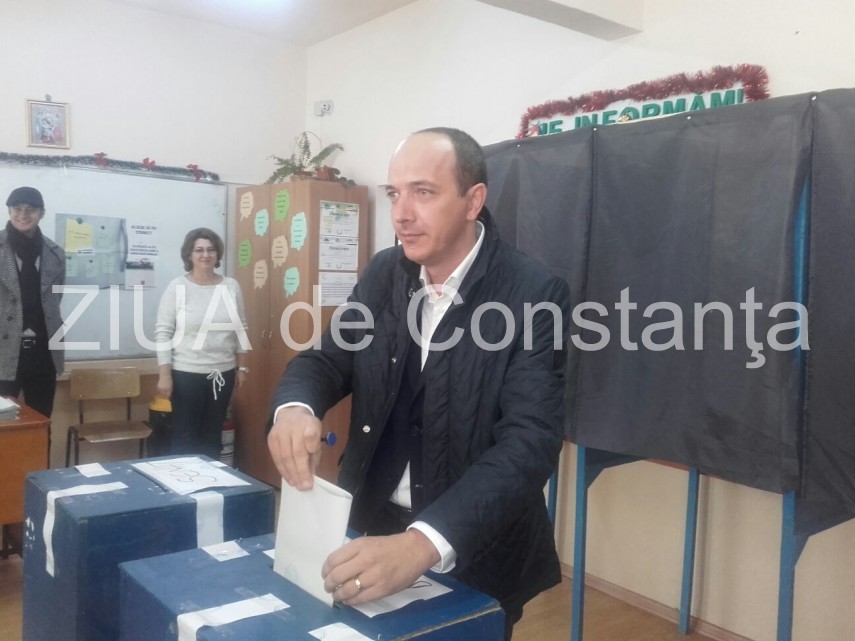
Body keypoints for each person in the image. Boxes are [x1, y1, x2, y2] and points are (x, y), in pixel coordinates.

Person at [267, 127, 571, 639]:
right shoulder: (385, 274)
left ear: (473, 200)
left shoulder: (534, 294)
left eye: (423, 192)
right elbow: (326, 360)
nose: (402, 214)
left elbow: (529, 443)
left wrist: (424, 542)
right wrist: (295, 407)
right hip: (369, 526)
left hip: (475, 548)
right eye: (394, 193)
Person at [155, 228, 249, 459]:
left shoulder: (231, 286)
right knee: (185, 437)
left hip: (222, 374)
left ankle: (211, 481)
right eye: (199, 250)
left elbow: (241, 328)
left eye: (211, 250)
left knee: (212, 436)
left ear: (217, 254)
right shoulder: (177, 287)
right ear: (189, 255)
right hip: (186, 374)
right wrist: (164, 375)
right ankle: (184, 482)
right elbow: (163, 332)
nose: (206, 255)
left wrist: (242, 367)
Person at [0, 187, 65, 418]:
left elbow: (54, 300)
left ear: (41, 213)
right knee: (4, 427)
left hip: (43, 353)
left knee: (41, 421)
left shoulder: (55, 253)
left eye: (31, 209)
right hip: (3, 350)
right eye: (17, 209)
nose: (23, 215)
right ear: (9, 211)